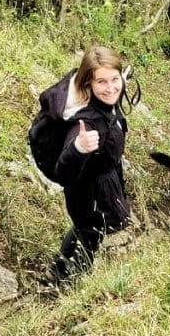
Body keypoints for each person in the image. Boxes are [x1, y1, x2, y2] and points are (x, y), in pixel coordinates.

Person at [42, 46, 132, 286]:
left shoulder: (105, 101)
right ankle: (75, 286)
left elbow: (113, 89)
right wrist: (79, 148)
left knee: (83, 229)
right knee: (91, 235)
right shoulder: (85, 123)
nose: (111, 88)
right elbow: (63, 171)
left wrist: (119, 79)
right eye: (101, 82)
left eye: (115, 79)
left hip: (102, 183)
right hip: (88, 193)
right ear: (88, 84)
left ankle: (56, 272)